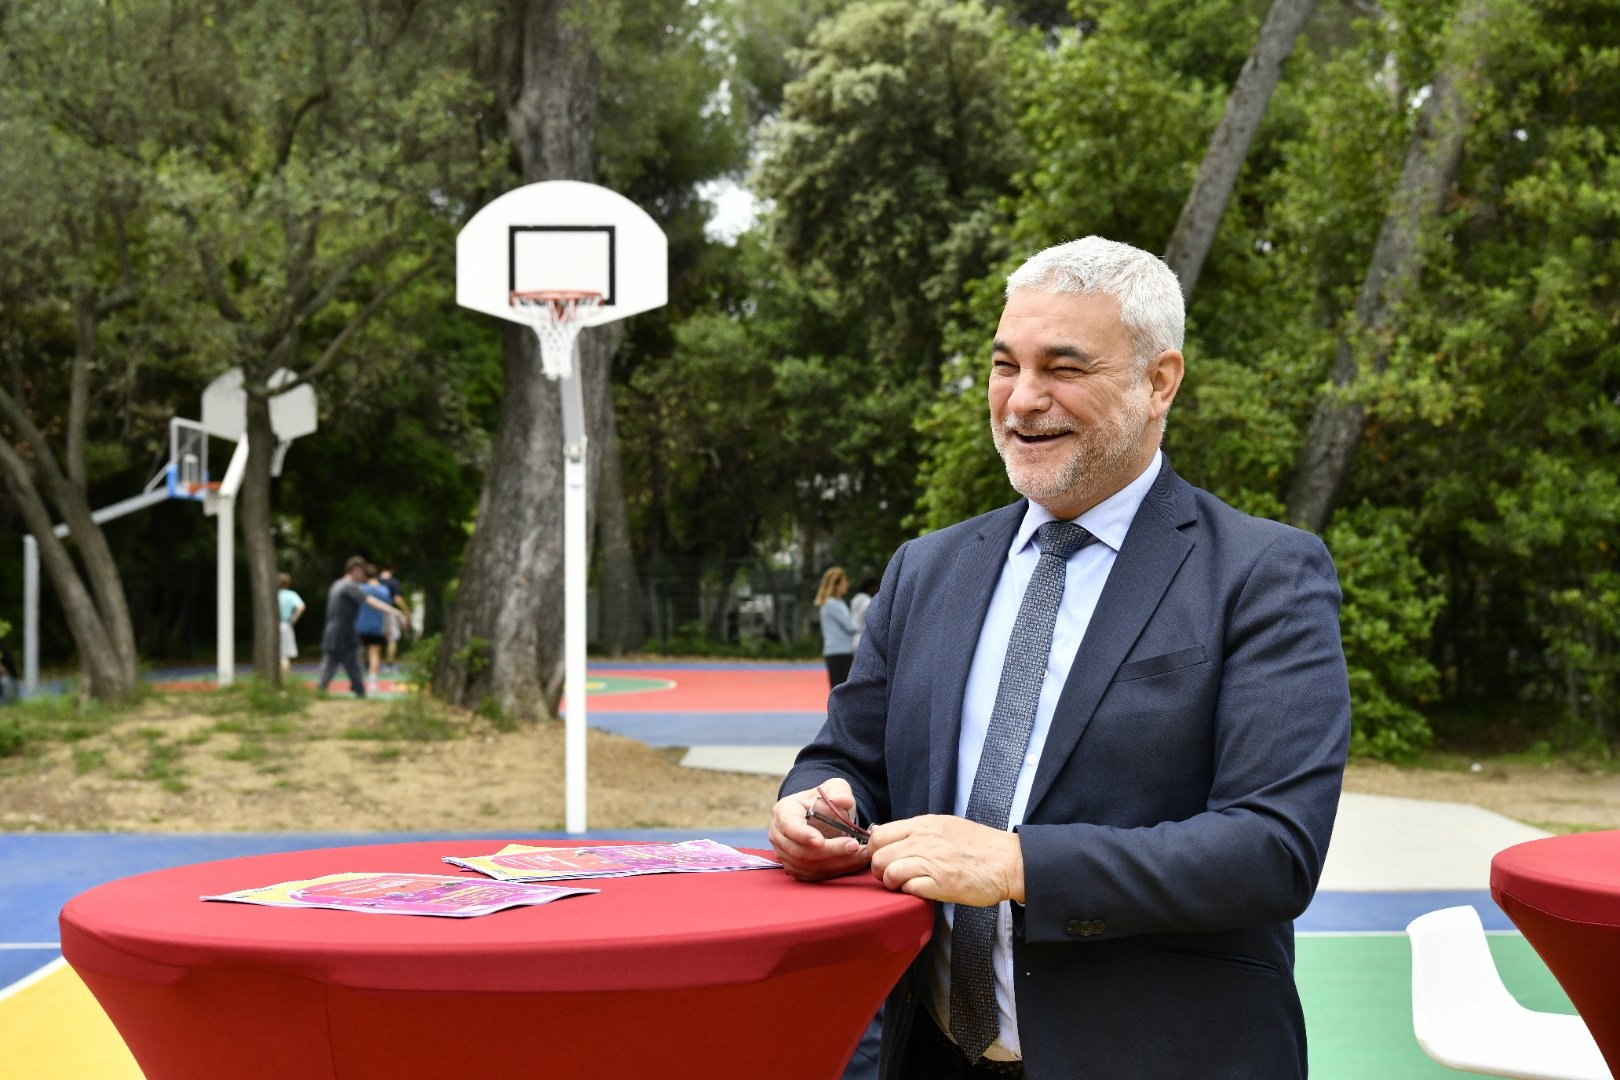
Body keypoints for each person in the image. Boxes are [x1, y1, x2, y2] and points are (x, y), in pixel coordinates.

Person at [768, 236, 1351, 1080]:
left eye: (1064, 369)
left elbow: (1271, 848)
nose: (1022, 401)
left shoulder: (1264, 573)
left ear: (1161, 381)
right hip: (926, 1053)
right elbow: (845, 758)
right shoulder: (926, 567)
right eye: (1006, 365)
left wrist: (1016, 865)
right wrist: (812, 807)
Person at [318, 556, 402, 698]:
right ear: (355, 570)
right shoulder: (349, 586)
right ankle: (358, 694)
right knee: (346, 665)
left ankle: (353, 693)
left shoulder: (337, 584)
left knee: (345, 665)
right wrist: (396, 612)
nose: (364, 577)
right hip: (342, 633)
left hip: (337, 632)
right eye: (362, 573)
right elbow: (371, 601)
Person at [816, 566, 858, 689]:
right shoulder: (832, 604)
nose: (847, 584)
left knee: (841, 689)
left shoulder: (838, 603)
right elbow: (850, 626)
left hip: (841, 651)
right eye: (844, 581)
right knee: (840, 690)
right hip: (839, 652)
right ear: (836, 584)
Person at [354, 564, 394, 691]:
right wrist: (388, 627)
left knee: (359, 653)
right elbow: (387, 610)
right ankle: (372, 681)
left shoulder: (360, 588)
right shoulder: (384, 590)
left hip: (360, 625)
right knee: (374, 654)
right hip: (377, 626)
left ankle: (358, 679)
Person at [378, 564, 410, 671]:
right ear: (392, 570)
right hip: (389, 611)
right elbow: (397, 598)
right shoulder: (393, 582)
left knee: (372, 639)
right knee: (392, 638)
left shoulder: (375, 581)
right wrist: (406, 611)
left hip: (374, 611)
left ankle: (368, 663)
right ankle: (389, 664)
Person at [276, 573, 306, 677]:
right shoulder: (291, 595)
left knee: (276, 655)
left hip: (273, 626)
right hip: (285, 625)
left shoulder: (273, 595)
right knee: (284, 656)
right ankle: (285, 679)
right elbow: (301, 606)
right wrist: (293, 619)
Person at [849, 576, 879, 653]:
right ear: (871, 588)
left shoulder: (855, 601)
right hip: (865, 640)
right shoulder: (868, 603)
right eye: (877, 587)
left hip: (854, 640)